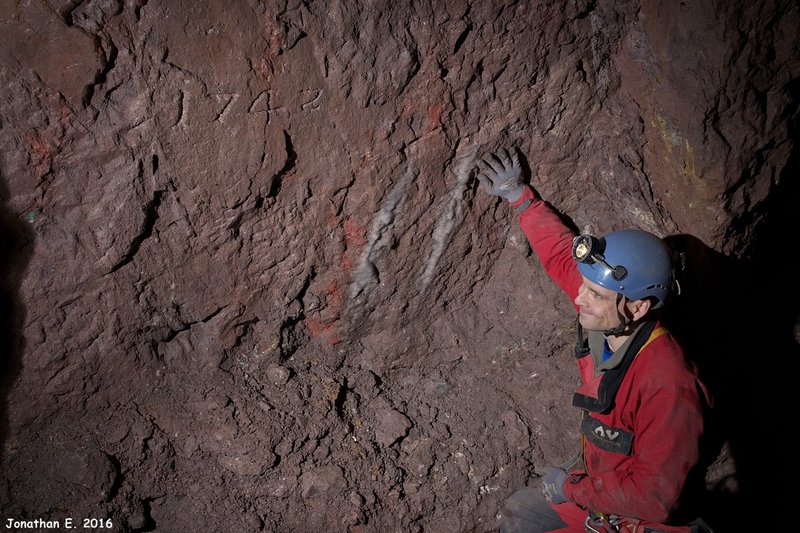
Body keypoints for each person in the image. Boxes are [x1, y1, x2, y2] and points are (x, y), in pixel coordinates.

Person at [476, 148, 712, 533]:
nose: (580, 299)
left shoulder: (669, 384)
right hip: (603, 497)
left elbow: (656, 498)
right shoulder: (608, 314)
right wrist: (519, 197)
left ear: (638, 308)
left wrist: (571, 487)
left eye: (595, 295)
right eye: (586, 288)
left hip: (645, 518)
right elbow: (561, 256)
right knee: (521, 513)